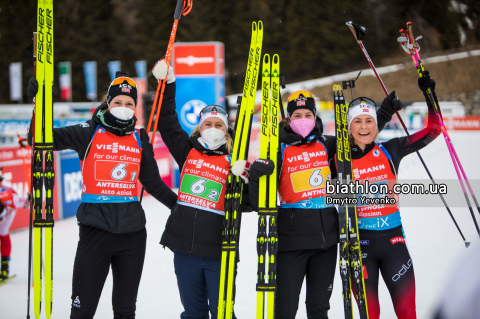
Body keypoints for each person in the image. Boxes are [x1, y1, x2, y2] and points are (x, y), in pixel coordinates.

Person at [27, 75, 178, 318]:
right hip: (95, 231)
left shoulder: (140, 137)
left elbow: (153, 184)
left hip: (133, 235)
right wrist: (39, 106)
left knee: (125, 310)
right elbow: (40, 140)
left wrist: (182, 208)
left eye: (130, 103)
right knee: (83, 310)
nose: (124, 108)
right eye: (118, 102)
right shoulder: (87, 132)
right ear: (108, 103)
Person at [248, 88, 401, 318]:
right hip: (291, 242)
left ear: (315, 116)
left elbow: (360, 132)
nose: (303, 120)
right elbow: (260, 203)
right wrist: (255, 177)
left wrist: (385, 113)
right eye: (297, 115)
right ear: (288, 119)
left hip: (326, 243)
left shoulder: (328, 144)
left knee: (319, 310)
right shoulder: (278, 148)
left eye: (308, 115)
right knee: (285, 310)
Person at [151, 60, 269, 319]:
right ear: (199, 128)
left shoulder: (234, 159)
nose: (213, 129)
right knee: (193, 314)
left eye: (218, 125)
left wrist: (251, 177)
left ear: (226, 130)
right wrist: (166, 84)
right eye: (208, 124)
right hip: (185, 250)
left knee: (223, 314)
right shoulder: (188, 151)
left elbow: (254, 203)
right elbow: (167, 122)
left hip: (220, 251)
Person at [334, 70, 441, 319]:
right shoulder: (337, 158)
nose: (363, 126)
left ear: (377, 124)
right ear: (348, 126)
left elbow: (434, 130)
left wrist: (429, 94)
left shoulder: (391, 150)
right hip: (359, 245)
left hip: (394, 243)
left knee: (406, 313)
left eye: (369, 121)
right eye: (357, 121)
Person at [0, 167, 29, 281]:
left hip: (8, 215)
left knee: (3, 233)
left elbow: (26, 203)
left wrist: (29, 199)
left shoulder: (10, 197)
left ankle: (5, 268)